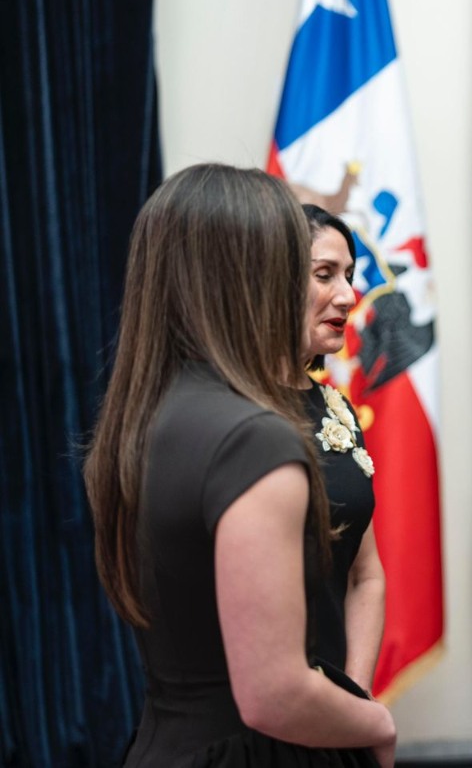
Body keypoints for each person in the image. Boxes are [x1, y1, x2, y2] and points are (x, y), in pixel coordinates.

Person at [84, 164, 396, 767]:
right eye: (296, 262)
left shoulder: (148, 414)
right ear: (242, 273)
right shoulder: (254, 440)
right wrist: (375, 726)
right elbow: (274, 693)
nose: (345, 294)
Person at [300, 204, 385, 693]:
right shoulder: (233, 417)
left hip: (337, 705)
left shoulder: (338, 409)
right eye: (324, 274)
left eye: (348, 275)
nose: (349, 295)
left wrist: (356, 702)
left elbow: (366, 576)